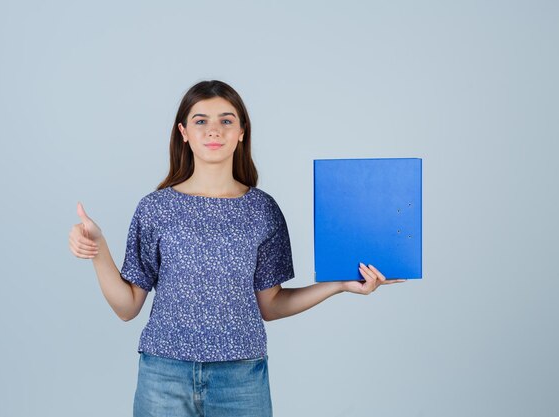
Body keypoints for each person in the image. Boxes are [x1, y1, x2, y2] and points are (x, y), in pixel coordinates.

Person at [68, 80, 405, 417]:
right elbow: (127, 308)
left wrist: (340, 285)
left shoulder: (263, 210)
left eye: (226, 120)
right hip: (164, 375)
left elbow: (270, 306)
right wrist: (98, 250)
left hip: (241, 378)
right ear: (183, 131)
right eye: (201, 121)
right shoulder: (155, 208)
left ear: (242, 131)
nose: (214, 130)